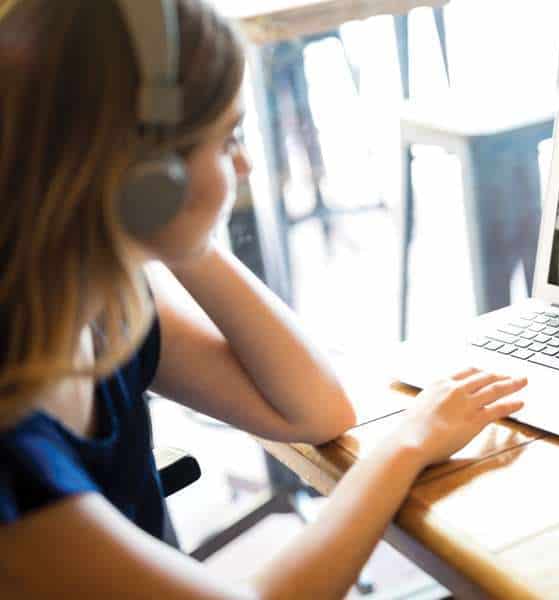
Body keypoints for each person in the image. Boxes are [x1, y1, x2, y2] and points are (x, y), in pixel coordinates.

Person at [0, 1, 527, 598]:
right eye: (227, 141)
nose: (246, 165)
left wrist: (173, 228)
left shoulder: (102, 303)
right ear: (146, 174)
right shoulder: (15, 447)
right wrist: (409, 443)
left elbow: (314, 408)